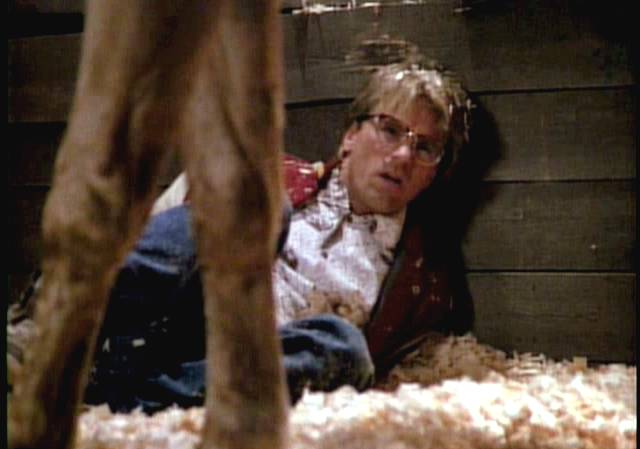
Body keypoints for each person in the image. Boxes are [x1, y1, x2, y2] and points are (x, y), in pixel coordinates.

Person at [8, 61, 474, 414]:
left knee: (344, 348)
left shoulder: (424, 281)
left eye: (425, 147)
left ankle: (124, 402)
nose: (402, 155)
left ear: (432, 174)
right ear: (350, 137)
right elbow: (157, 239)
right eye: (389, 129)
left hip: (229, 372)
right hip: (164, 321)